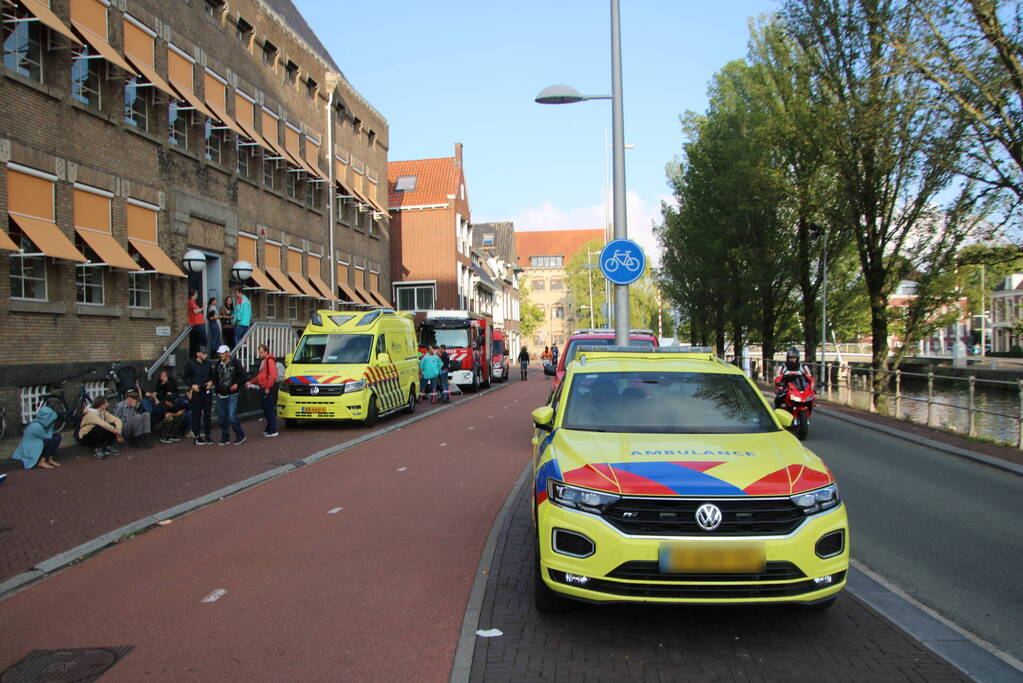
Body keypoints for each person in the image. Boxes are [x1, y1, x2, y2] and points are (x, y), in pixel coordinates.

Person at [213, 344, 247, 445]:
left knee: (232, 416)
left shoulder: (235, 363)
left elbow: (244, 376)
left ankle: (240, 435)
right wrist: (215, 385)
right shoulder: (218, 364)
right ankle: (225, 436)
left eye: (222, 353)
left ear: (227, 353)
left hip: (232, 393)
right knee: (222, 417)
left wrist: (237, 384)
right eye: (220, 353)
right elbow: (215, 377)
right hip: (221, 393)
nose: (221, 355)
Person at [12, 405, 61, 470]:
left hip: (38, 441)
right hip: (30, 446)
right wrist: (51, 427)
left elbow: (50, 434)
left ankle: (49, 459)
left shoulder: (43, 423)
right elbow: (48, 436)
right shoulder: (36, 426)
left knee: (57, 437)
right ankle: (41, 461)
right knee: (50, 441)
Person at [183, 346, 214, 445]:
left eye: (206, 353)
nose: (206, 355)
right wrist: (192, 385)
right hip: (196, 392)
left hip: (206, 391)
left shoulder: (208, 364)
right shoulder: (191, 364)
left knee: (207, 414)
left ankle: (208, 435)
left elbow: (212, 376)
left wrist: (211, 382)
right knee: (196, 414)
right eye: (203, 353)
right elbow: (185, 377)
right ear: (198, 354)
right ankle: (197, 436)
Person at [248, 343, 279, 437]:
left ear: (266, 351)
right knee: (267, 409)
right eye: (259, 352)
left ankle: (272, 429)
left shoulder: (269, 361)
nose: (259, 354)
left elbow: (273, 376)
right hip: (264, 387)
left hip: (266, 388)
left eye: (261, 352)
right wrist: (251, 381)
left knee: (268, 409)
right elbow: (260, 376)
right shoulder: (265, 361)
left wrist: (267, 387)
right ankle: (269, 428)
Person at [187, 290, 206, 357]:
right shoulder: (191, 302)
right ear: (193, 294)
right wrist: (202, 308)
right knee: (202, 341)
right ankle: (201, 355)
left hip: (199, 324)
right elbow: (195, 311)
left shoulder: (193, 302)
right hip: (198, 324)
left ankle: (200, 355)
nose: (197, 295)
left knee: (200, 341)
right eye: (196, 294)